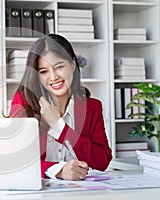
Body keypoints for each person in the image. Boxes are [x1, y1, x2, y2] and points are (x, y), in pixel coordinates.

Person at [10, 34, 112, 181]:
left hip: (80, 192)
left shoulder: (92, 107)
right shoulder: (24, 103)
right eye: (43, 71)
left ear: (73, 64)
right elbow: (15, 161)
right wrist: (58, 170)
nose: (53, 77)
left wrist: (60, 127)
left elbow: (102, 161)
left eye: (59, 67)